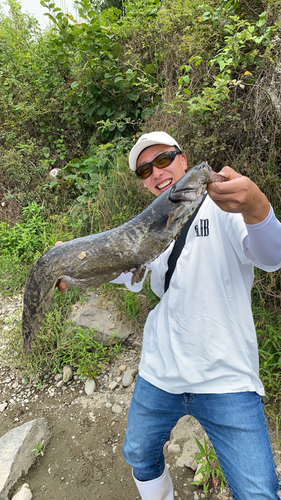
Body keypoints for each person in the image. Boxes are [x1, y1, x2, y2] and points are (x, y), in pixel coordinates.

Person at [58, 131, 281, 499]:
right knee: (139, 455)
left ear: (183, 158)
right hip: (160, 370)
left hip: (226, 377)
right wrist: (74, 260)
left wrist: (257, 208)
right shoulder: (150, 224)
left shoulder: (223, 206)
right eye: (145, 170)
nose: (156, 173)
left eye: (162, 160)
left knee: (258, 490)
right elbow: (124, 269)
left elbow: (272, 257)